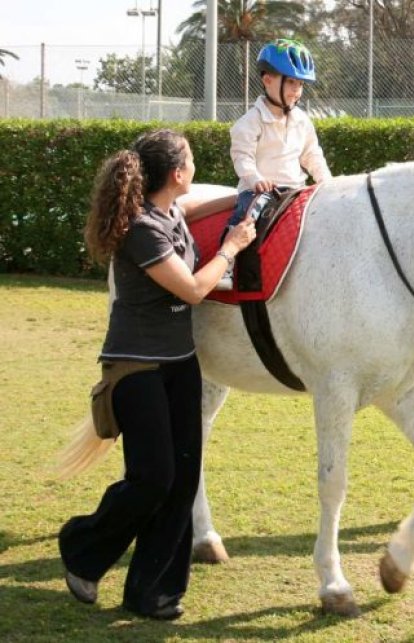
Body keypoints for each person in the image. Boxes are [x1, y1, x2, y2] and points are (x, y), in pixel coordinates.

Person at [59, 129, 256, 620]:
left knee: (182, 478)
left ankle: (153, 593)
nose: (195, 166)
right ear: (176, 173)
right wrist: (230, 248)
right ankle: (81, 546)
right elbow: (191, 289)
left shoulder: (169, 212)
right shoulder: (141, 229)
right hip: (136, 369)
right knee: (153, 479)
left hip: (179, 365)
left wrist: (249, 193)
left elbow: (188, 212)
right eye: (190, 160)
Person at [217, 38, 332, 290]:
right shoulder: (250, 121)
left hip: (295, 190)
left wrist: (327, 182)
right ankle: (226, 265)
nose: (297, 89)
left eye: (300, 84)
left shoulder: (302, 120)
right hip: (261, 190)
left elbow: (312, 154)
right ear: (267, 79)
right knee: (247, 215)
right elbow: (242, 156)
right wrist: (255, 178)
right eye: (291, 81)